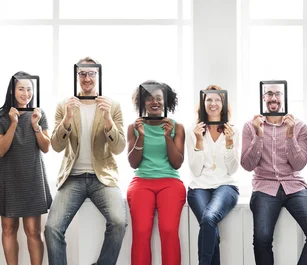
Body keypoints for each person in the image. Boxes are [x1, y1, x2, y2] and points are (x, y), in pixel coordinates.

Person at [45, 57, 127, 265]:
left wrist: (108, 119)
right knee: (52, 228)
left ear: (98, 76)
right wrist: (67, 118)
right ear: (77, 76)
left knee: (118, 222)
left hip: (103, 177)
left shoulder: (112, 105)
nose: (87, 78)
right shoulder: (65, 105)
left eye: (91, 73)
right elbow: (56, 146)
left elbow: (119, 148)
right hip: (73, 177)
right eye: (82, 73)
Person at [241, 83, 307, 265]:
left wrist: (290, 135)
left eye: (278, 94)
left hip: (293, 185)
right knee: (262, 238)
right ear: (263, 97)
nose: (273, 98)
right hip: (264, 186)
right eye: (269, 94)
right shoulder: (250, 126)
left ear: (284, 98)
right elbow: (247, 165)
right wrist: (258, 135)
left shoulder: (299, 126)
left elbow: (299, 164)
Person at [126, 80, 186, 265]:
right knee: (142, 231)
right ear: (142, 103)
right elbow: (133, 162)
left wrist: (167, 137)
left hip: (170, 182)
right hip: (142, 182)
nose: (155, 102)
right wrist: (141, 136)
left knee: (168, 230)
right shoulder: (134, 128)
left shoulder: (177, 127)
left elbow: (177, 163)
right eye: (149, 98)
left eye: (159, 98)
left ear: (166, 102)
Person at [0, 72, 52, 265]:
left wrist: (35, 125)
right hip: (8, 178)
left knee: (33, 231)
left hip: (32, 177)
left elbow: (46, 148)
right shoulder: (1, 116)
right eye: (21, 88)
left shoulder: (39, 114)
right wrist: (13, 123)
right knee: (8, 228)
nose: (26, 93)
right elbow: (1, 150)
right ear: (12, 91)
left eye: (29, 89)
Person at [186, 85, 239, 265]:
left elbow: (232, 169)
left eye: (217, 99)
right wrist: (199, 141)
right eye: (209, 99)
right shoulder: (194, 130)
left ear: (223, 104)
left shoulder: (232, 130)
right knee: (212, 232)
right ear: (203, 104)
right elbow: (195, 170)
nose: (213, 103)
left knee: (209, 219)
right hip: (199, 187)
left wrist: (230, 143)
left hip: (225, 186)